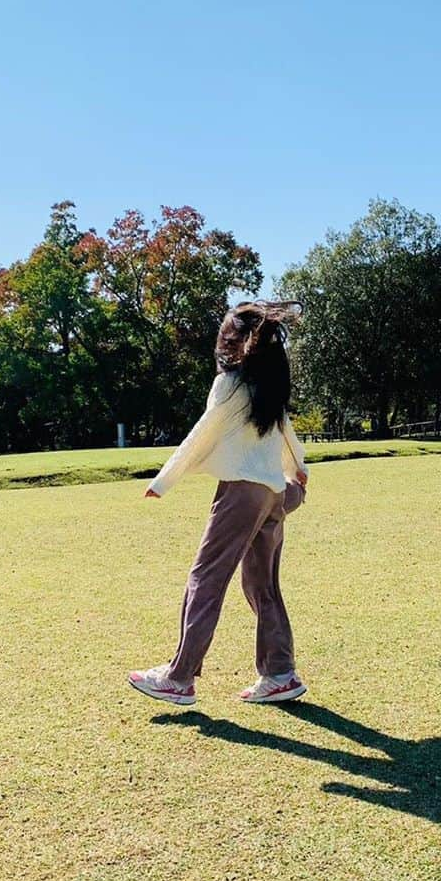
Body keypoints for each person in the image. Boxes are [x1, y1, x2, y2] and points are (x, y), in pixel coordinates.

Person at [129, 301, 310, 707]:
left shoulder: (229, 385)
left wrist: (164, 480)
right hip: (273, 492)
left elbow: (203, 432)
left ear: (233, 344)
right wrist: (300, 472)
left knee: (205, 579)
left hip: (241, 495)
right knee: (262, 584)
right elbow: (286, 436)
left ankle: (178, 678)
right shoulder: (268, 386)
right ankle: (280, 674)